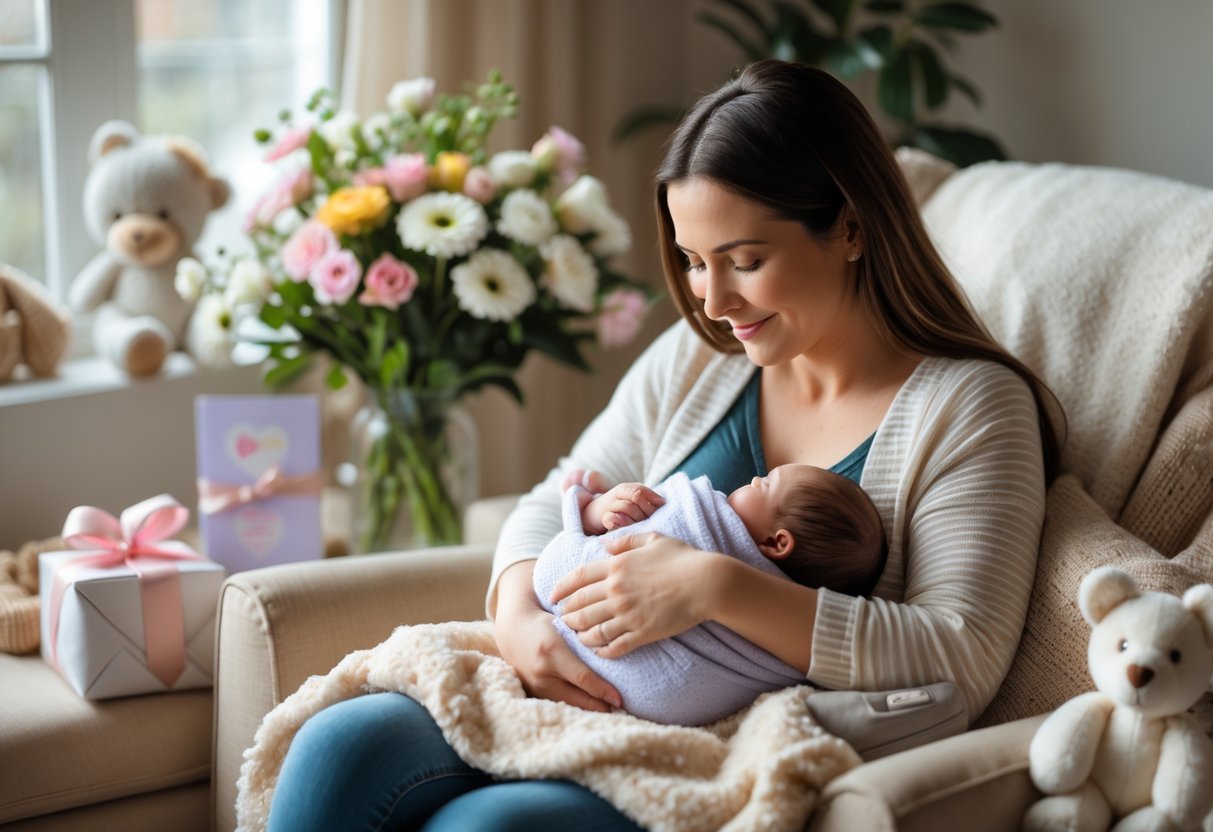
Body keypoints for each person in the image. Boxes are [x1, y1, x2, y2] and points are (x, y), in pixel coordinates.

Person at [265, 59, 1062, 831]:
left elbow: (962, 655)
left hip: (726, 740)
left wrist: (713, 587)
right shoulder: (699, 362)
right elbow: (555, 497)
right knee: (340, 747)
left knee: (493, 826)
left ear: (849, 228)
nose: (712, 301)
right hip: (579, 685)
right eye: (692, 261)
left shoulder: (970, 407)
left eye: (745, 262)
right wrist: (516, 615)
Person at [532, 464, 886, 725]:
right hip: (596, 683)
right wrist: (602, 507)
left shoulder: (701, 518)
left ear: (776, 543)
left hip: (570, 631)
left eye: (762, 484)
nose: (752, 477)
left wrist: (587, 510)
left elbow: (552, 575)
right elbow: (539, 508)